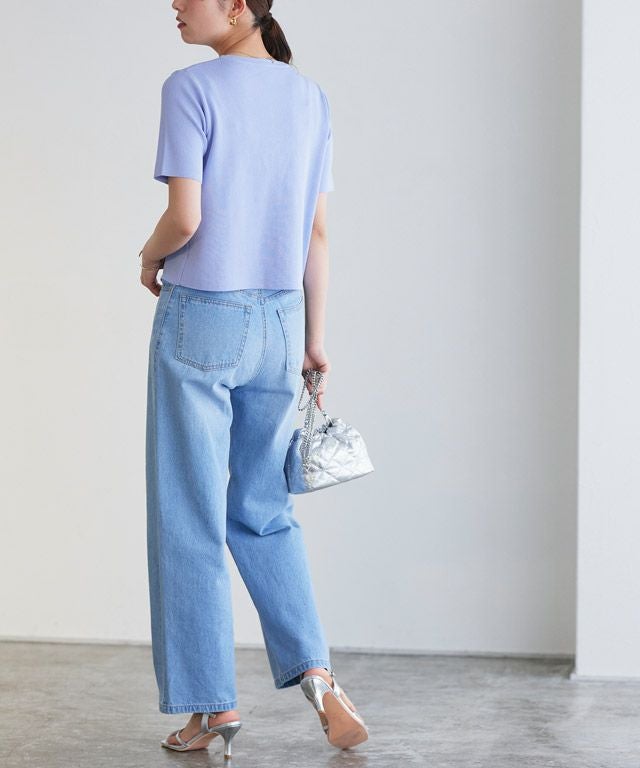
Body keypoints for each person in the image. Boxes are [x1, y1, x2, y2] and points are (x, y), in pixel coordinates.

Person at [139, 0, 369, 756]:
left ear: (239, 6)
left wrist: (147, 257)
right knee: (264, 511)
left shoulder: (190, 88)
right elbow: (317, 232)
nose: (175, 4)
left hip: (202, 318)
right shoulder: (310, 98)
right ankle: (318, 676)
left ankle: (212, 707)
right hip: (280, 322)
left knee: (188, 513)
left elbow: (186, 219)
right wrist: (314, 340)